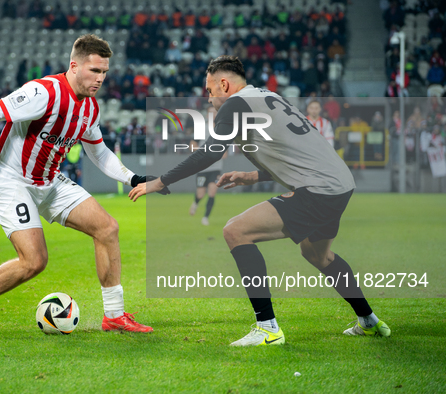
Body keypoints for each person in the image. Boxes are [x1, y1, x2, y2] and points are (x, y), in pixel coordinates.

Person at [130, 56, 390, 346]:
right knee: (318, 255)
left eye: (209, 89)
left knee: (236, 230)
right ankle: (368, 320)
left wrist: (159, 181)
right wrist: (250, 176)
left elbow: (210, 152)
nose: (209, 95)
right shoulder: (267, 96)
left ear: (224, 84)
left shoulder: (236, 104)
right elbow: (295, 152)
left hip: (317, 188)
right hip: (339, 184)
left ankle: (267, 328)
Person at [0, 34, 153, 336]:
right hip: (11, 180)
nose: (100, 78)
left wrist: (133, 178)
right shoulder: (43, 92)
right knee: (34, 261)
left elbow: (98, 152)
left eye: (104, 72)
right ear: (74, 66)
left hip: (49, 180)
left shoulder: (89, 108)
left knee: (107, 228)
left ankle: (114, 315)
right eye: (94, 71)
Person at [189, 107, 225, 226]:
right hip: (203, 167)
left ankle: (205, 217)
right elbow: (193, 144)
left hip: (216, 167)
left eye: (215, 113)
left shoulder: (221, 130)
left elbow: (225, 152)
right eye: (210, 113)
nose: (213, 115)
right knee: (200, 193)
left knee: (212, 192)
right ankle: (196, 202)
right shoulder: (202, 128)